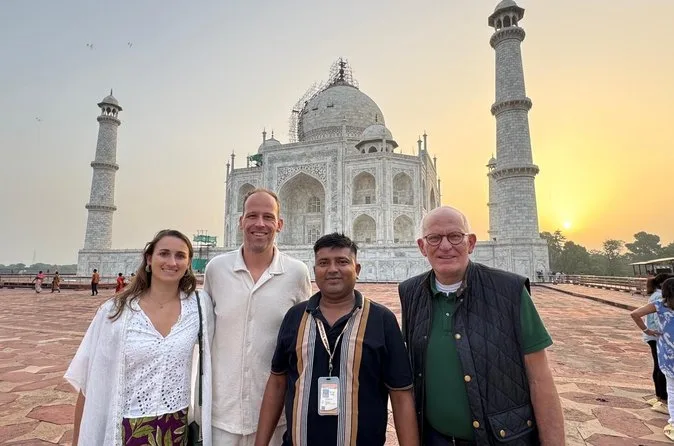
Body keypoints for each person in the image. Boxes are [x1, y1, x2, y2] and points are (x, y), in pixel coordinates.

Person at [398, 206, 565, 445]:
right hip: (435, 438)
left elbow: (540, 379)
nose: (445, 246)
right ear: (422, 247)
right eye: (434, 238)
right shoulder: (411, 293)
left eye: (455, 236)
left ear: (471, 243)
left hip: (501, 439)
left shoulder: (509, 291)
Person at [255, 233, 419, 446]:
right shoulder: (295, 317)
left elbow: (400, 394)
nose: (332, 269)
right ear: (315, 270)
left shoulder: (381, 320)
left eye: (342, 262)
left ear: (357, 269)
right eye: (324, 263)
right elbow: (278, 382)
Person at [64, 229, 215, 445]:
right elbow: (91, 382)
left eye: (180, 256)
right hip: (126, 428)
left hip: (176, 428)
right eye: (164, 253)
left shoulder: (198, 307)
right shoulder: (115, 312)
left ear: (189, 262)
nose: (172, 262)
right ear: (149, 259)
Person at [204, 188, 311, 445]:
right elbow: (205, 334)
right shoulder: (217, 269)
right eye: (252, 216)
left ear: (280, 224)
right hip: (222, 415)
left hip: (276, 417)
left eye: (268, 217)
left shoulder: (296, 273)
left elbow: (304, 342)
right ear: (240, 221)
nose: (260, 224)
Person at [631, 277, 674, 441]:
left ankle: (673, 423)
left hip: (667, 352)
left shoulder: (660, 305)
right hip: (668, 351)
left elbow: (635, 314)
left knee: (671, 388)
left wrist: (647, 330)